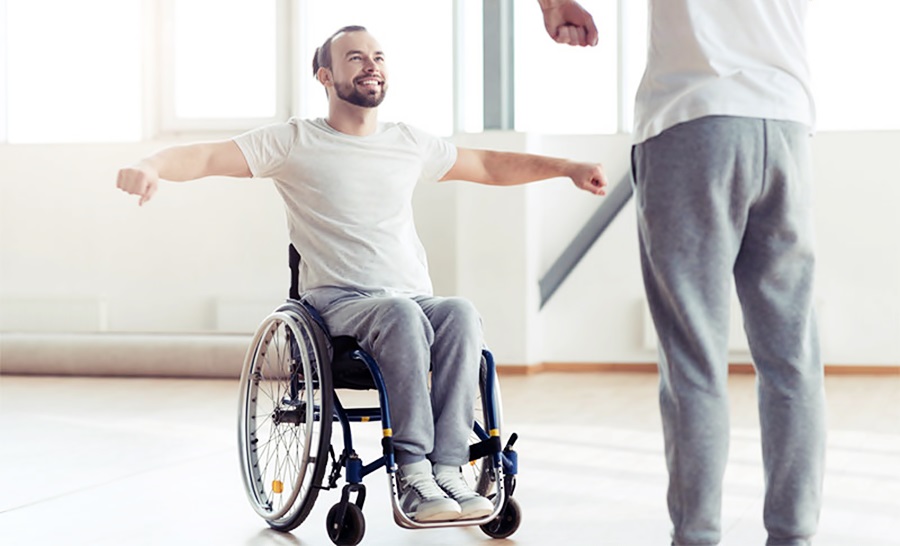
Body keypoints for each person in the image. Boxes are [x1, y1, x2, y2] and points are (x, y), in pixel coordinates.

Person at [117, 25, 607, 523]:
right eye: (355, 58)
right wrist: (150, 164)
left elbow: (487, 164)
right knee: (399, 314)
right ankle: (413, 470)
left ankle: (451, 467)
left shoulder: (407, 142)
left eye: (378, 56)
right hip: (338, 303)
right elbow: (205, 156)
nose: (371, 64)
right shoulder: (294, 140)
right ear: (325, 76)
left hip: (411, 300)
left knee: (459, 313)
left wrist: (566, 166)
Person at [538, 1, 827, 545]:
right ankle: (794, 536)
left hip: (692, 119)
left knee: (694, 358)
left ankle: (697, 536)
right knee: (793, 359)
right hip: (787, 125)